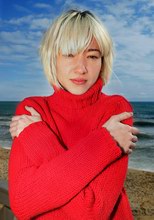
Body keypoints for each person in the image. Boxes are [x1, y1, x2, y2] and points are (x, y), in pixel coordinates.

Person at [9, 9, 139, 219]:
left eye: (92, 56)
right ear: (54, 57)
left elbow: (92, 213)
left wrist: (35, 136)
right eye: (70, 54)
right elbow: (22, 203)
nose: (81, 68)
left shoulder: (116, 109)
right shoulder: (32, 110)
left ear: (102, 61)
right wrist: (105, 142)